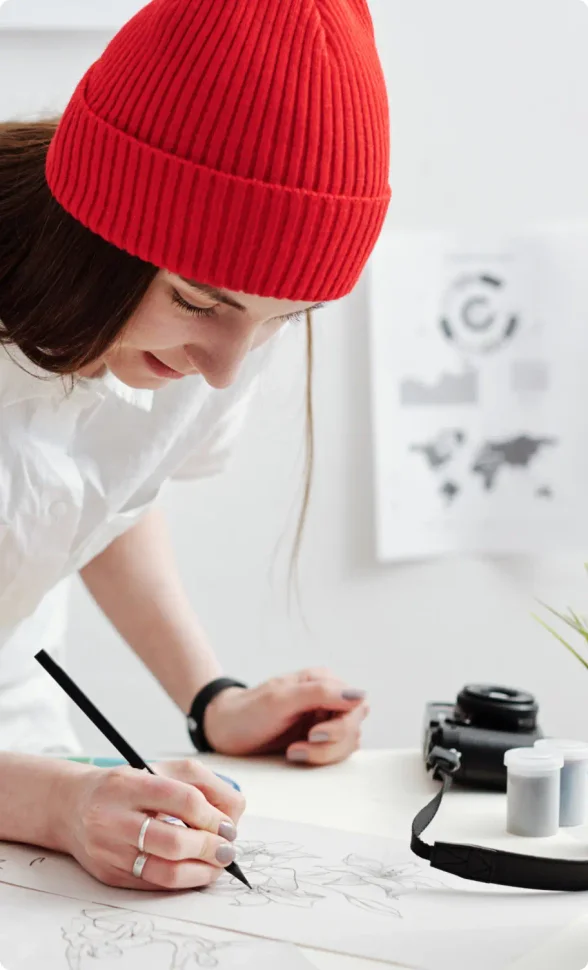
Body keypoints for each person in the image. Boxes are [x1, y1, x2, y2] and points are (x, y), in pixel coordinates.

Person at [0, 0, 390, 891]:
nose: (224, 369)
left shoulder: (220, 324)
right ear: (90, 228)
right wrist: (51, 804)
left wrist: (214, 702)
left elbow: (98, 491)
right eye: (199, 302)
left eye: (279, 319)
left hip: (29, 750)